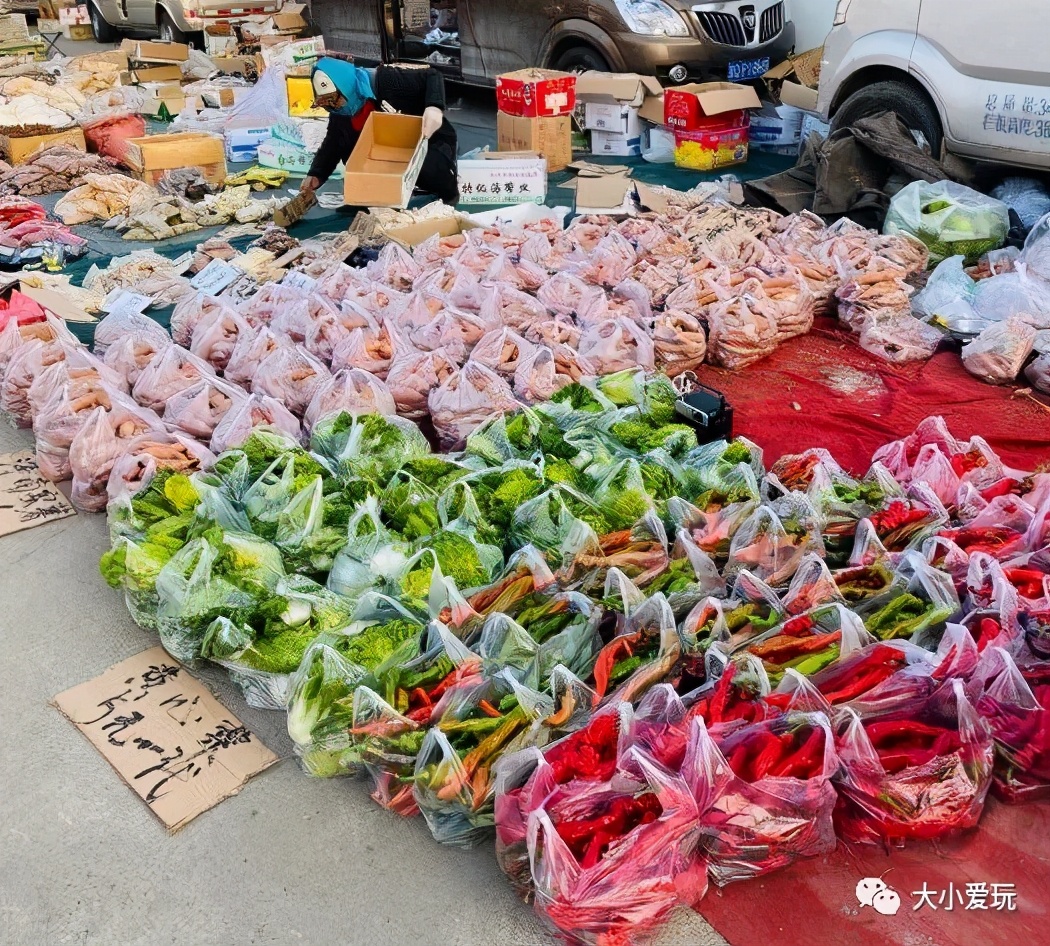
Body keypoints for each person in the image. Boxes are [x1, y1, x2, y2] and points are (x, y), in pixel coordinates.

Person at [300, 57, 459, 205]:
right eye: (328, 103)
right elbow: (333, 143)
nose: (335, 106)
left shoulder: (385, 80)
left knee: (430, 168)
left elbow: (432, 75)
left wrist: (434, 106)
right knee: (351, 151)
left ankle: (446, 196)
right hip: (384, 154)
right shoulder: (340, 113)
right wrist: (316, 174)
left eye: (335, 99)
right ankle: (373, 199)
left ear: (345, 85)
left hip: (423, 141)